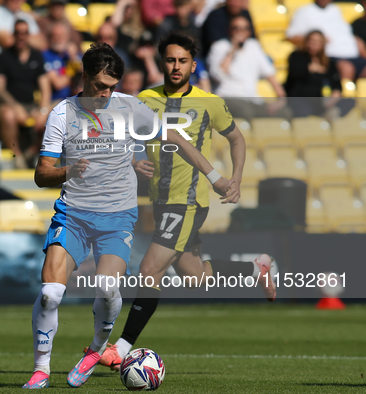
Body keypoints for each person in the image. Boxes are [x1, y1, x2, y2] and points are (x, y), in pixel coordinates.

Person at [22, 41, 231, 389]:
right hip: (72, 214)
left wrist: (215, 177)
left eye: (112, 87)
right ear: (85, 77)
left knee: (105, 289)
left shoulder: (130, 108)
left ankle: (95, 349)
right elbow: (42, 174)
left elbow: (176, 139)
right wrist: (67, 171)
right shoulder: (62, 114)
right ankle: (41, 368)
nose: (106, 94)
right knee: (49, 294)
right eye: (100, 86)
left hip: (117, 217)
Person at [95, 31, 277, 372]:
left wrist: (234, 178)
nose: (176, 67)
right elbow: (122, 137)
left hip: (189, 201)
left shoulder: (210, 102)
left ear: (193, 65)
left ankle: (120, 348)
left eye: (182, 61)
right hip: (161, 201)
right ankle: (256, 269)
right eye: (169, 60)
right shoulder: (144, 99)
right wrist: (134, 161)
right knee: (195, 276)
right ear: (161, 63)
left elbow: (237, 139)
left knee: (149, 270)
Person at [0, 19, 51, 169]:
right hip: (9, 105)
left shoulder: (37, 56)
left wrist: (43, 110)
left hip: (31, 105)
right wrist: (15, 106)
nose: (21, 36)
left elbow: (45, 87)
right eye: (18, 33)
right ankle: (17, 155)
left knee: (54, 116)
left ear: (28, 35)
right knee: (8, 114)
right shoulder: (3, 57)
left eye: (24, 33)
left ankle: (32, 152)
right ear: (13, 35)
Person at [207, 15, 290, 121]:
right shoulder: (219, 47)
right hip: (228, 96)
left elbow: (270, 74)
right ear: (229, 30)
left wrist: (281, 99)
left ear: (249, 32)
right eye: (236, 28)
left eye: (244, 28)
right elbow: (218, 75)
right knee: (245, 111)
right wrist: (232, 50)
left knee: (284, 112)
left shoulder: (253, 46)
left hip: (252, 99)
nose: (240, 32)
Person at [287, 0, 366, 82]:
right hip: (331, 57)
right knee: (347, 68)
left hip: (353, 55)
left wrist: (356, 41)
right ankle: (346, 94)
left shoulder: (335, 9)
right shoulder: (304, 11)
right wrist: (319, 39)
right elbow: (291, 36)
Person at [285, 30, 354, 119]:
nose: (313, 44)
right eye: (311, 40)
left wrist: (333, 98)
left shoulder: (329, 63)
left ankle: (330, 114)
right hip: (302, 99)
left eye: (317, 42)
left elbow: (337, 85)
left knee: (350, 101)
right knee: (302, 111)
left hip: (322, 102)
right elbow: (294, 76)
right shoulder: (297, 57)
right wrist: (309, 69)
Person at [43, 21, 81, 103]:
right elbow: (58, 83)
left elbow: (86, 76)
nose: (58, 38)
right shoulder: (45, 55)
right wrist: (74, 71)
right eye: (54, 35)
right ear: (49, 37)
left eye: (61, 35)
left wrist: (73, 58)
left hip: (75, 100)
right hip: (56, 102)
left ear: (68, 37)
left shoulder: (74, 55)